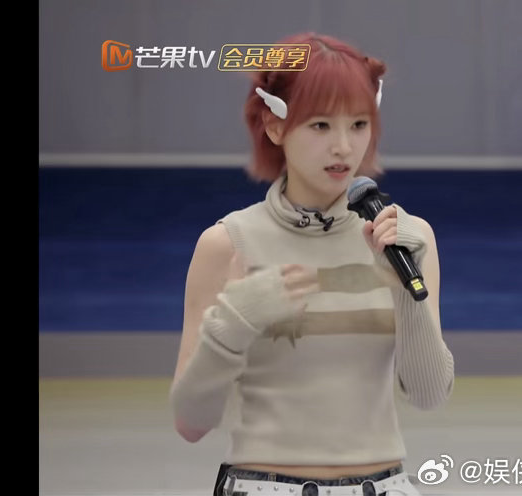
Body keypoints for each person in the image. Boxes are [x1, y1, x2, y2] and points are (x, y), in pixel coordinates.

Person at [168, 32, 454, 496]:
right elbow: (190, 422)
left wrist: (407, 294)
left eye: (358, 124)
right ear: (274, 125)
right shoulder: (227, 244)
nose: (343, 146)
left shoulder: (407, 239)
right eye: (320, 125)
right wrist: (233, 325)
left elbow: (428, 394)